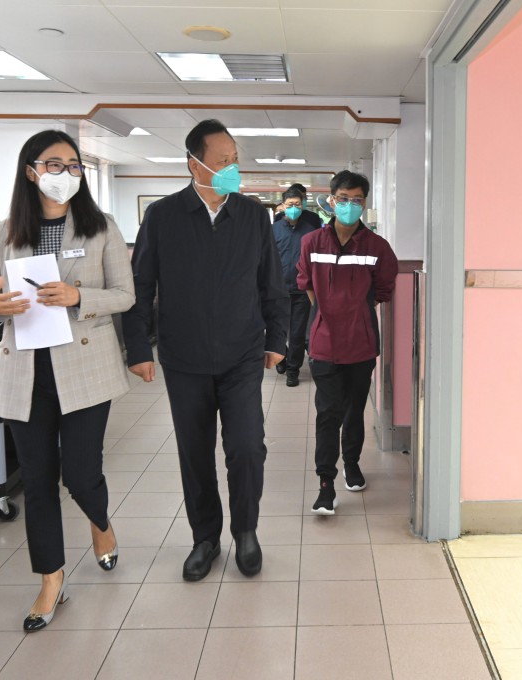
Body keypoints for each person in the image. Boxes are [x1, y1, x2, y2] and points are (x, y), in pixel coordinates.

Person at [0, 129, 135, 631]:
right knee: (38, 481)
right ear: (31, 171)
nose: (66, 174)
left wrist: (79, 298)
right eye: (54, 164)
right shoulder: (6, 231)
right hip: (26, 371)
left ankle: (101, 525)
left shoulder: (100, 226)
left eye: (74, 165)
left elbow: (125, 295)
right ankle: (51, 579)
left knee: (81, 474)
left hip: (85, 367)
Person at [122, 119, 288, 580]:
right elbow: (141, 286)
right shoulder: (164, 216)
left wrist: (278, 339)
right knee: (194, 452)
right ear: (193, 163)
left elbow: (270, 284)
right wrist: (137, 347)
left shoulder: (254, 215)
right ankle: (205, 538)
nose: (231, 168)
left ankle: (247, 532)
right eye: (221, 161)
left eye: (234, 160)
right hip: (185, 358)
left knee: (247, 447)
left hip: (242, 356)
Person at [297, 170, 398, 515]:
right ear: (331, 199)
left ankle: (352, 464)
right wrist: (328, 314)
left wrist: (353, 311)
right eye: (344, 199)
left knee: (355, 410)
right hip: (324, 342)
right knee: (328, 413)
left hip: (361, 344)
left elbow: (383, 290)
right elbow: (305, 284)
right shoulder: (312, 242)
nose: (350, 205)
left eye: (357, 200)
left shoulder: (377, 247)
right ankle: (326, 483)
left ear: (364, 204)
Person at [272, 187, 319, 387]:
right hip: (277, 290)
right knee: (276, 331)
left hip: (301, 290)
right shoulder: (273, 230)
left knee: (298, 333)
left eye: (297, 204)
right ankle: (281, 358)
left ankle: (293, 370)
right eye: (290, 205)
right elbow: (266, 259)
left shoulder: (311, 231)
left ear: (303, 205)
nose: (293, 208)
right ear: (283, 206)